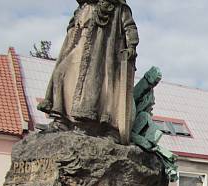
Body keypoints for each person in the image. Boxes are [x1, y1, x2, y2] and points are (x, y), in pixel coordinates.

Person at [39, 0, 139, 139]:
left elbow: (129, 26)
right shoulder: (83, 7)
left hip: (99, 54)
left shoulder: (117, 7)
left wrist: (131, 46)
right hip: (78, 48)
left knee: (91, 87)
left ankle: (87, 125)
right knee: (60, 73)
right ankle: (61, 120)